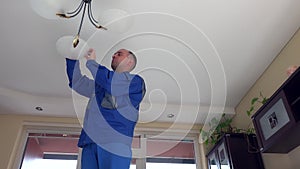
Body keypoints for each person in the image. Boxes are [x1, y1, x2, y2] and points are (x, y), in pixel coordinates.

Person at [65, 48, 146, 169]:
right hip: (90, 143)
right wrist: (72, 58)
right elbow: (77, 82)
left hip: (115, 143)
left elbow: (111, 83)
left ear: (129, 62)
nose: (114, 55)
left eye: (119, 54)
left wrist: (91, 62)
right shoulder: (99, 86)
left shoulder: (135, 82)